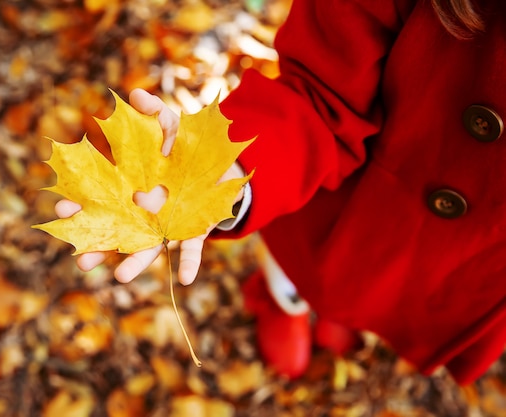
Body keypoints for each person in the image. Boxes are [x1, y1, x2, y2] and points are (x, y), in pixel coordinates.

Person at [55, 0, 506, 385]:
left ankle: (339, 315)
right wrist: (221, 174)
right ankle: (282, 300)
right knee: (300, 271)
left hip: (468, 269)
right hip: (337, 205)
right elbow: (320, 91)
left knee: (375, 299)